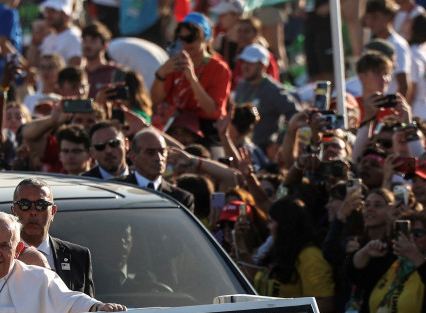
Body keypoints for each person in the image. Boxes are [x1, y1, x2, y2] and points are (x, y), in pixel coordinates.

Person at [150, 13, 232, 150]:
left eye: (190, 38)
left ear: (205, 38)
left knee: (213, 159)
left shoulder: (219, 68)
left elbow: (211, 110)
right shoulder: (175, 63)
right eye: (181, 38)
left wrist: (192, 79)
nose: (185, 43)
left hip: (206, 129)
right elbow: (156, 100)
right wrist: (161, 74)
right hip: (176, 125)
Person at [10, 178, 94, 296]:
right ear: (13, 211)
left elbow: (89, 308)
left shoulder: (78, 256)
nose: (33, 212)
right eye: (25, 205)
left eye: (41, 205)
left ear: (53, 212)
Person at [230, 44, 299, 151]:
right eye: (243, 62)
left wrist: (279, 142)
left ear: (263, 66)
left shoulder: (273, 89)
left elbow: (295, 113)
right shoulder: (242, 86)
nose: (244, 66)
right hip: (240, 147)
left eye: (250, 63)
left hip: (263, 151)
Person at [121, 129, 196, 211]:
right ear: (133, 157)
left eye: (162, 152)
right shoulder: (116, 189)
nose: (158, 158)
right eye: (150, 153)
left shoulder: (181, 199)